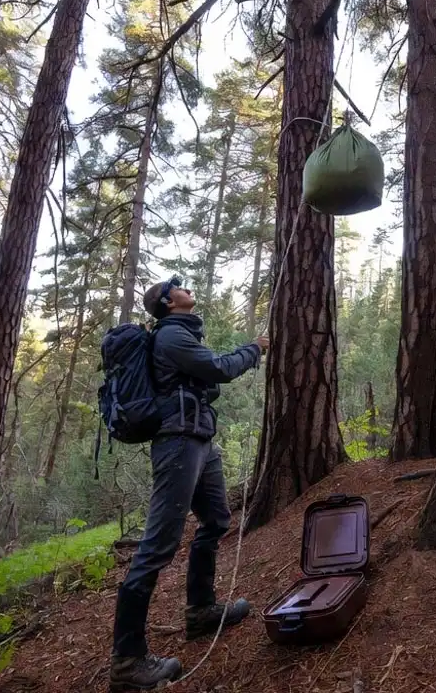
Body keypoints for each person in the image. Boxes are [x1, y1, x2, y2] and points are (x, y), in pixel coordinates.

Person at [110, 276, 269, 691]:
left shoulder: (180, 335)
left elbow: (207, 380)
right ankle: (127, 661)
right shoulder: (170, 337)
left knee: (216, 520)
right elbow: (219, 368)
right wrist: (254, 349)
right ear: (167, 302)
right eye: (175, 286)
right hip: (178, 443)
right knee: (157, 546)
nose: (184, 287)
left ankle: (200, 612)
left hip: (199, 439)